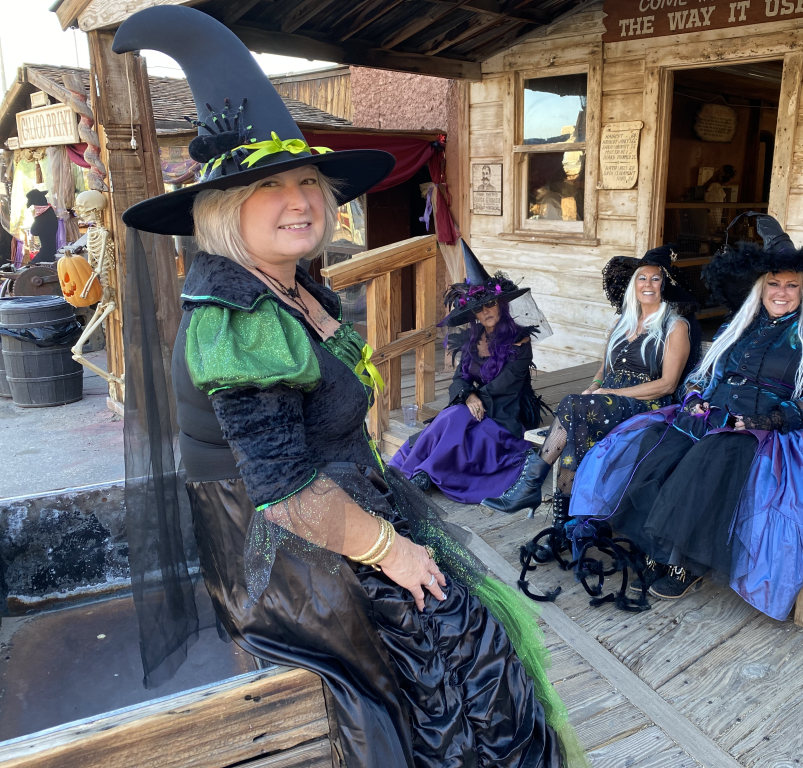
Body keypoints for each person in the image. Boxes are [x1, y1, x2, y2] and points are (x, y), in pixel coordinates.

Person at [112, 8, 584, 768]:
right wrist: (388, 550)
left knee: (469, 629)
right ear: (225, 210)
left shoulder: (296, 287)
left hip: (340, 492)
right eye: (271, 187)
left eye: (307, 181)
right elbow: (284, 490)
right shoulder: (237, 318)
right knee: (443, 632)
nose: (300, 200)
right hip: (273, 533)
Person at [568, 212, 803, 616]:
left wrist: (768, 421)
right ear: (760, 289)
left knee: (710, 458)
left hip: (762, 430)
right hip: (712, 413)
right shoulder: (739, 328)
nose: (781, 292)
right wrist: (693, 398)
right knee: (658, 445)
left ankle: (686, 561)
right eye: (773, 284)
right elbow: (702, 377)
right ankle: (654, 549)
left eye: (791, 285)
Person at [481, 246, 702, 519]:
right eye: (642, 278)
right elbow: (603, 368)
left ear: (664, 285)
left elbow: (668, 385)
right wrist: (595, 386)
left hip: (647, 403)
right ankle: (564, 520)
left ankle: (534, 488)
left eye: (656, 278)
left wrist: (610, 390)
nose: (648, 284)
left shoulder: (675, 326)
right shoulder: (623, 322)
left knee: (572, 406)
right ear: (634, 285)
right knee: (576, 420)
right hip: (610, 399)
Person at [390, 241, 550, 503]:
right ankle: (424, 472)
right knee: (454, 416)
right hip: (475, 406)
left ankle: (423, 472)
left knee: (458, 422)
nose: (486, 311)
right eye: (479, 308)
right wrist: (467, 396)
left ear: (501, 304)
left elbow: (507, 385)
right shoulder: (472, 340)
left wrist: (473, 399)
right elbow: (459, 379)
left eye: (490, 304)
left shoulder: (519, 340)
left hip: (505, 412)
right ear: (474, 313)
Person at [26, 189, 58, 262]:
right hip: (51, 250)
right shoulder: (50, 211)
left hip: (46, 252)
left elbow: (34, 231)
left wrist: (36, 219)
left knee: (31, 267)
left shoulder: (43, 215)